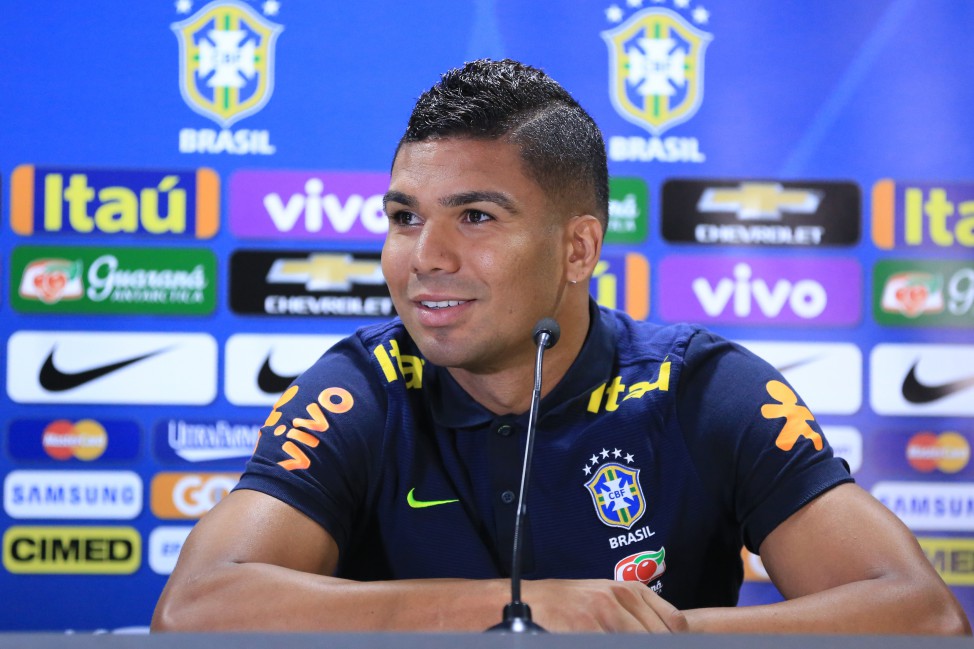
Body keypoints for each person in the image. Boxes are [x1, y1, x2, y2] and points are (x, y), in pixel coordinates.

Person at [152, 58, 970, 634]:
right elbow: (193, 610)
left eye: (476, 216)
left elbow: (922, 615)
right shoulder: (359, 388)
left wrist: (640, 631)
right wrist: (518, 609)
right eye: (404, 216)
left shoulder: (702, 388)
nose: (424, 256)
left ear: (578, 249)